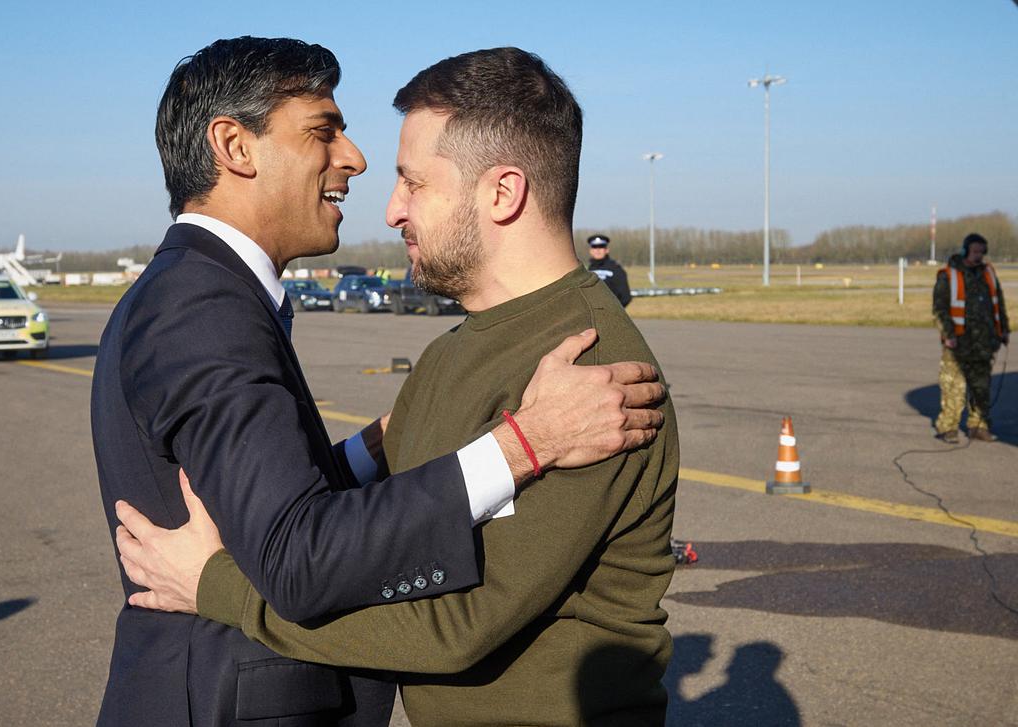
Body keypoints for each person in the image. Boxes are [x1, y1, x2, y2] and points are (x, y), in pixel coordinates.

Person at [92, 37, 667, 726]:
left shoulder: (590, 374)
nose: (381, 194)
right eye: (323, 130)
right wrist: (520, 443)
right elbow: (300, 542)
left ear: (504, 191)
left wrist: (369, 452)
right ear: (235, 147)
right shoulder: (203, 306)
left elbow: (452, 620)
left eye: (414, 182)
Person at [933, 232, 1009, 442]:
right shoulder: (948, 275)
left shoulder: (988, 273)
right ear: (965, 250)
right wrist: (948, 335)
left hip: (984, 343)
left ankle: (978, 426)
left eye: (982, 252)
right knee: (953, 388)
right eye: (975, 251)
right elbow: (939, 309)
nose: (979, 256)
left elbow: (998, 302)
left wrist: (1003, 329)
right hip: (958, 343)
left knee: (981, 388)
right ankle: (948, 428)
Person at [586, 234, 633, 306]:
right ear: (591, 251)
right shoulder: (588, 270)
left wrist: (615, 311)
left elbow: (626, 297)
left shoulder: (615, 269)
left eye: (601, 246)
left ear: (607, 250)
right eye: (594, 247)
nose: (598, 250)